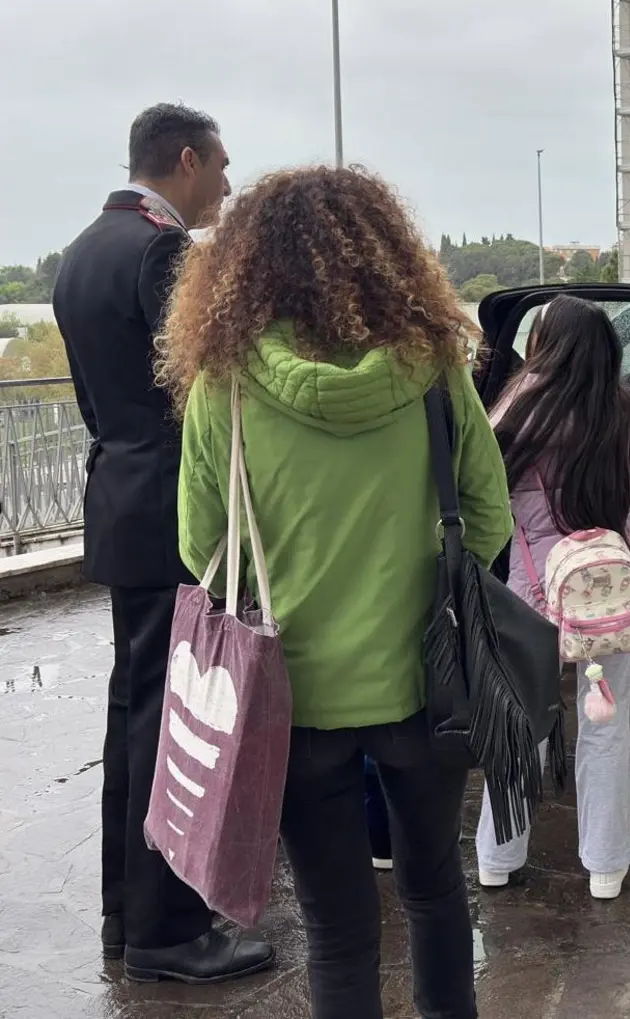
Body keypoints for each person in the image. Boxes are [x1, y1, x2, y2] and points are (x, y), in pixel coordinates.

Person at [158, 166, 512, 1019]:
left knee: (337, 929)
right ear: (385, 254)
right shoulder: (434, 367)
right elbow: (491, 518)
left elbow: (200, 545)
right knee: (434, 890)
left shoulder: (227, 381)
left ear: (247, 266)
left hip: (291, 701)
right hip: (428, 689)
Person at [51, 103, 272, 983]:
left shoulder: (81, 251)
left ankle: (124, 911)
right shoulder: (162, 252)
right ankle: (169, 931)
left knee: (132, 714)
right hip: (169, 514)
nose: (226, 182)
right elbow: (209, 392)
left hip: (118, 502)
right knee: (170, 724)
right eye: (220, 165)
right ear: (185, 160)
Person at [475, 295, 630, 901]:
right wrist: (607, 532)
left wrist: (535, 534)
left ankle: (497, 858)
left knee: (520, 726)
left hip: (531, 598)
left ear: (542, 345)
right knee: (606, 726)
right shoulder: (626, 411)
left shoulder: (512, 410)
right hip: (610, 591)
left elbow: (486, 500)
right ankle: (605, 868)